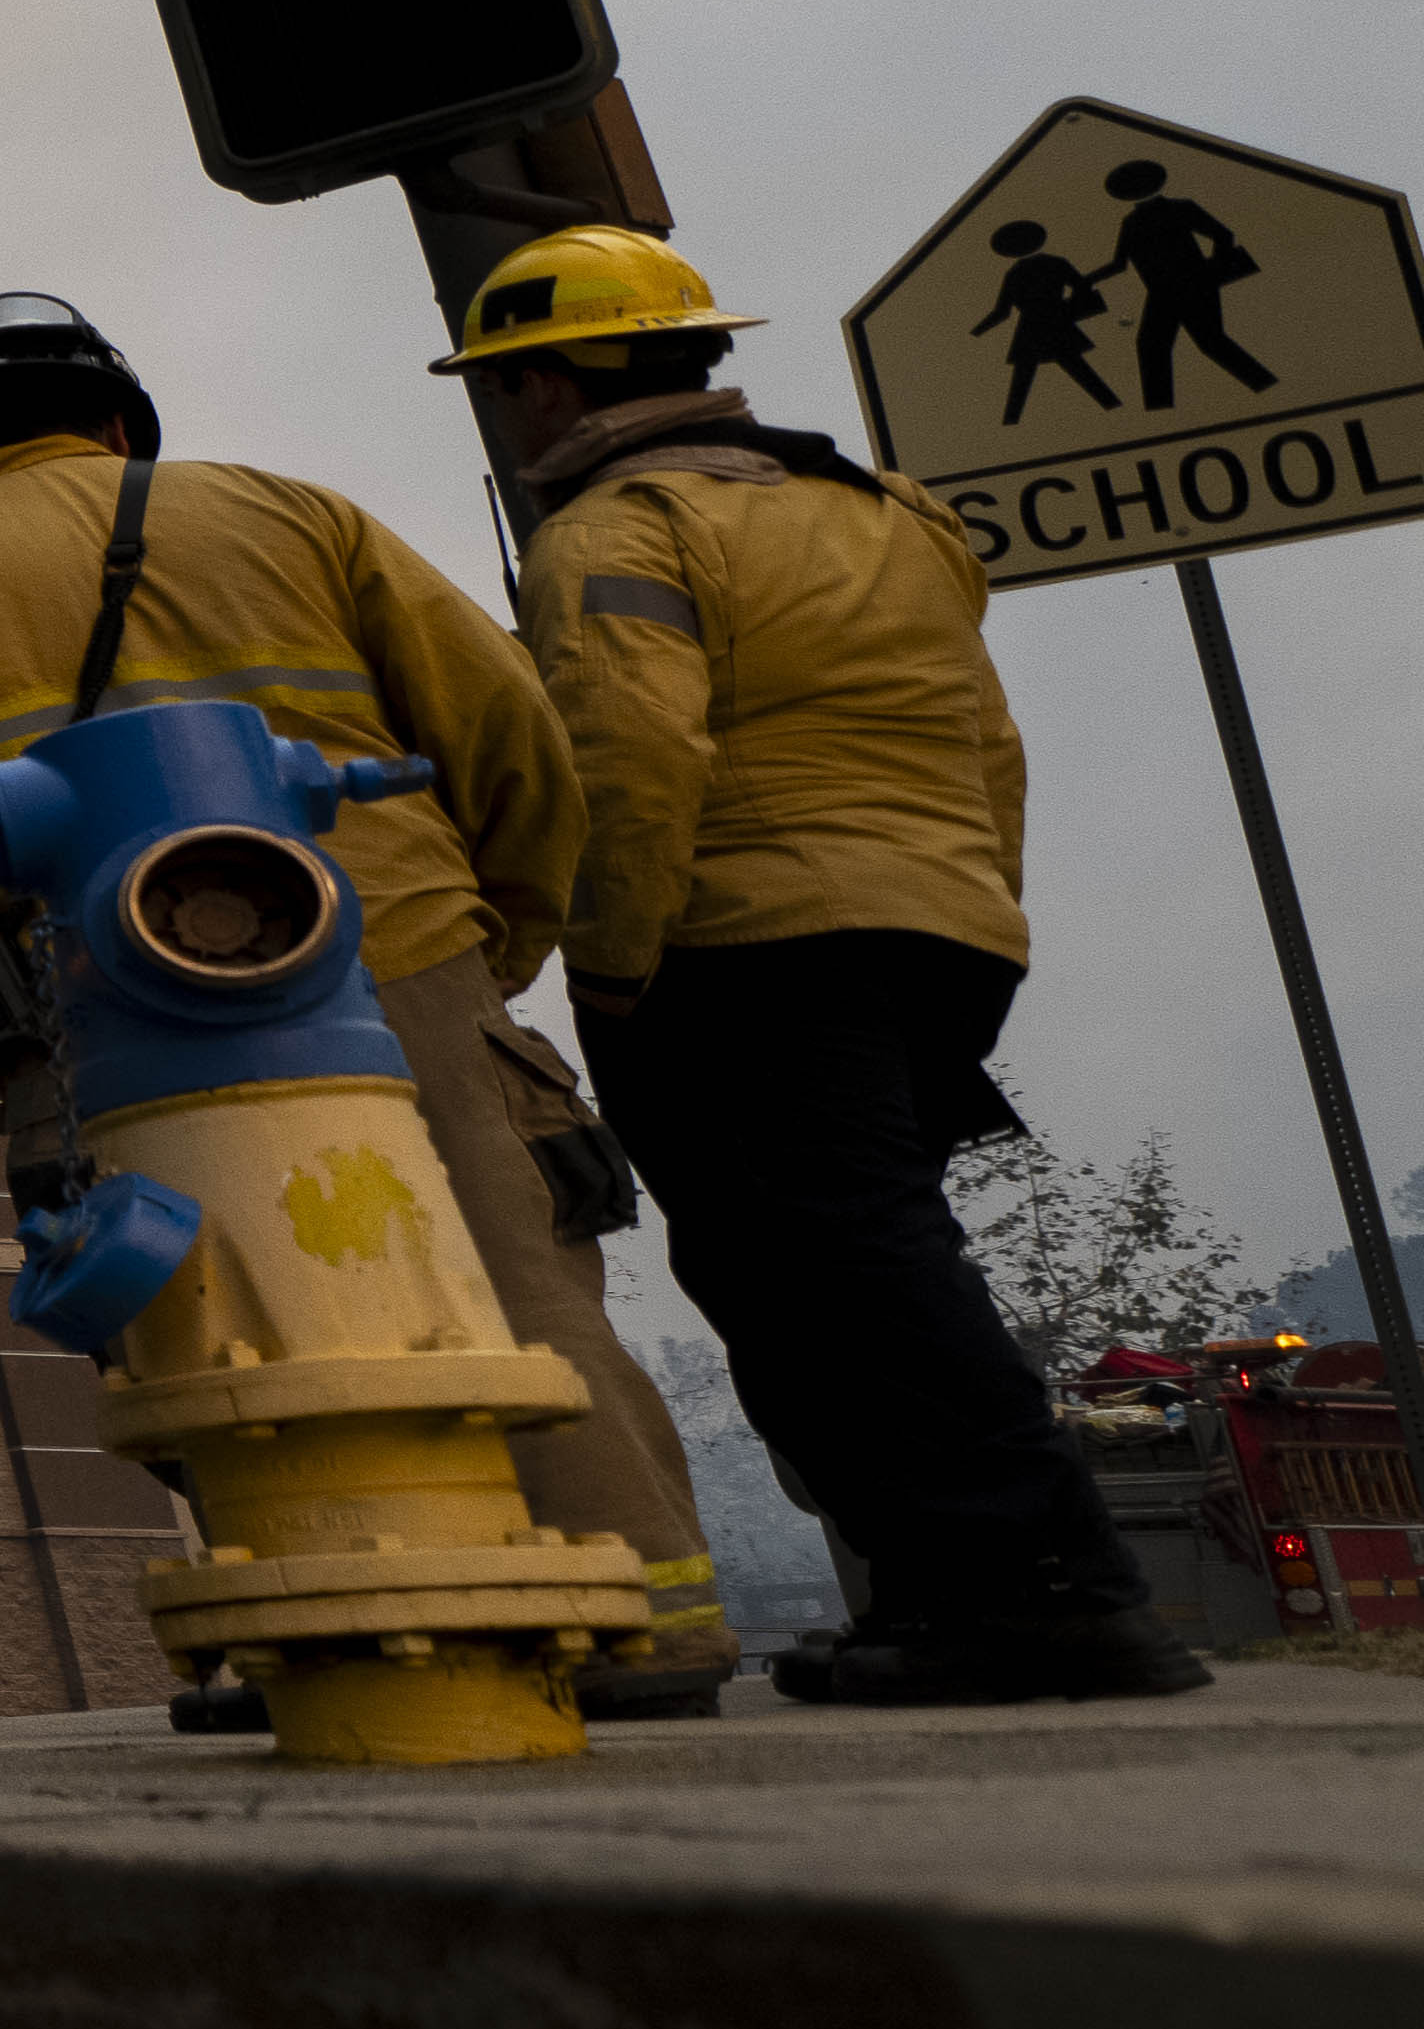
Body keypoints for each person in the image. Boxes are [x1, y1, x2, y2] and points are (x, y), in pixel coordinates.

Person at [0, 289, 726, 1716]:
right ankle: (651, 1627)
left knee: (207, 1321)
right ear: (118, 416)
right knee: (510, 1288)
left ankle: (319, 1634)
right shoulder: (291, 512)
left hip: (108, 1002)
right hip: (394, 946)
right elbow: (510, 734)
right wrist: (496, 936)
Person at [432, 225, 1196, 1705]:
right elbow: (993, 744)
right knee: (846, 1265)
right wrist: (978, 913)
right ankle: (948, 1591)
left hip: (749, 947)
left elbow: (631, 763)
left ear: (553, 383)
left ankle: (1040, 1592)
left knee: (834, 1281)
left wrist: (607, 966)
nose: (512, 409)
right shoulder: (889, 511)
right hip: (942, 930)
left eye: (513, 378)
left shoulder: (614, 531)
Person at [1098, 158, 1271, 412]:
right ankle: (1159, 413)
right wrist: (1085, 281)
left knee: (1210, 343)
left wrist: (1211, 273)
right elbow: (1119, 264)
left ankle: (1269, 387)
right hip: (1161, 295)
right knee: (1152, 346)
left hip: (1195, 286)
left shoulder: (1180, 208)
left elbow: (1223, 235)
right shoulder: (1131, 223)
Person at [968, 219, 1111, 427]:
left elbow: (1001, 312)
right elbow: (1082, 286)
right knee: (1073, 370)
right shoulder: (1055, 263)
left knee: (1026, 378)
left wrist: (976, 332)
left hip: (1032, 329)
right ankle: (1112, 405)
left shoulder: (1015, 273)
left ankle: (1010, 425)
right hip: (1054, 325)